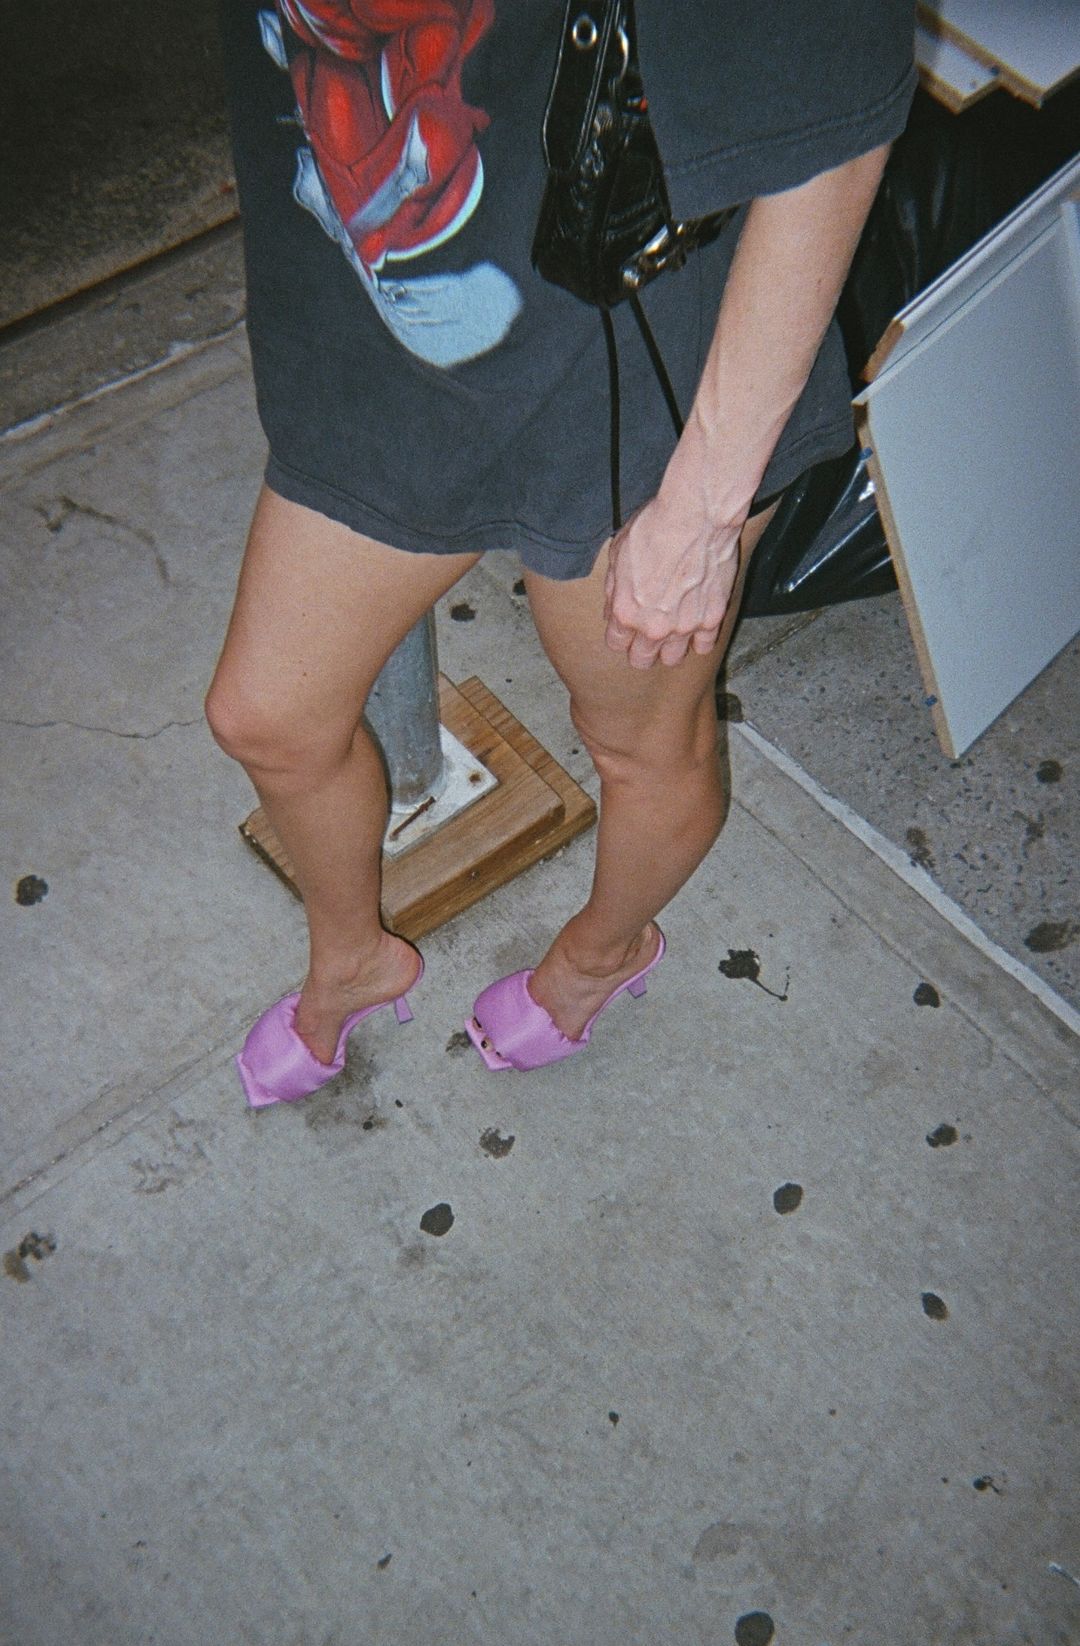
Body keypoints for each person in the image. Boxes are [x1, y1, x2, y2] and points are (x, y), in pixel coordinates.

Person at [207, 0, 916, 1101]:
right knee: (267, 716)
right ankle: (352, 959)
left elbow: (834, 112)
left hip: (622, 339)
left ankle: (602, 955)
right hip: (373, 332)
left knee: (641, 742)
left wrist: (704, 510)